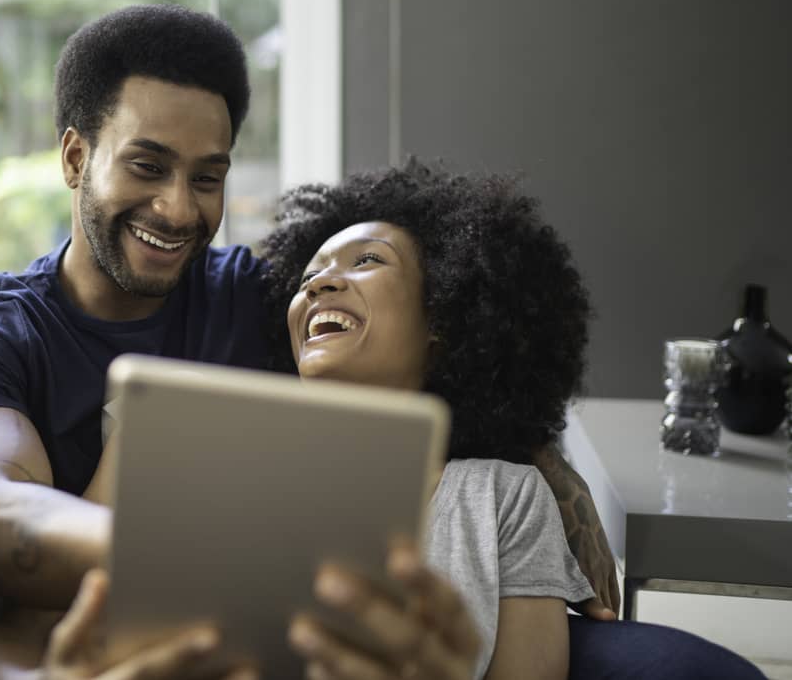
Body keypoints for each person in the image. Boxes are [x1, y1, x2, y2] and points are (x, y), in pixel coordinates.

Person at [0, 4, 624, 672]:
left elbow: (435, 348)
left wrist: (547, 472)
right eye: (147, 165)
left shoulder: (259, 298)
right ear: (75, 158)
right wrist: (215, 557)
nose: (176, 208)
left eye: (207, 177)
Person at [253, 162, 764, 680]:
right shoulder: (255, 482)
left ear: (443, 320)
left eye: (366, 260)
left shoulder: (506, 496)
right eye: (309, 276)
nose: (319, 286)